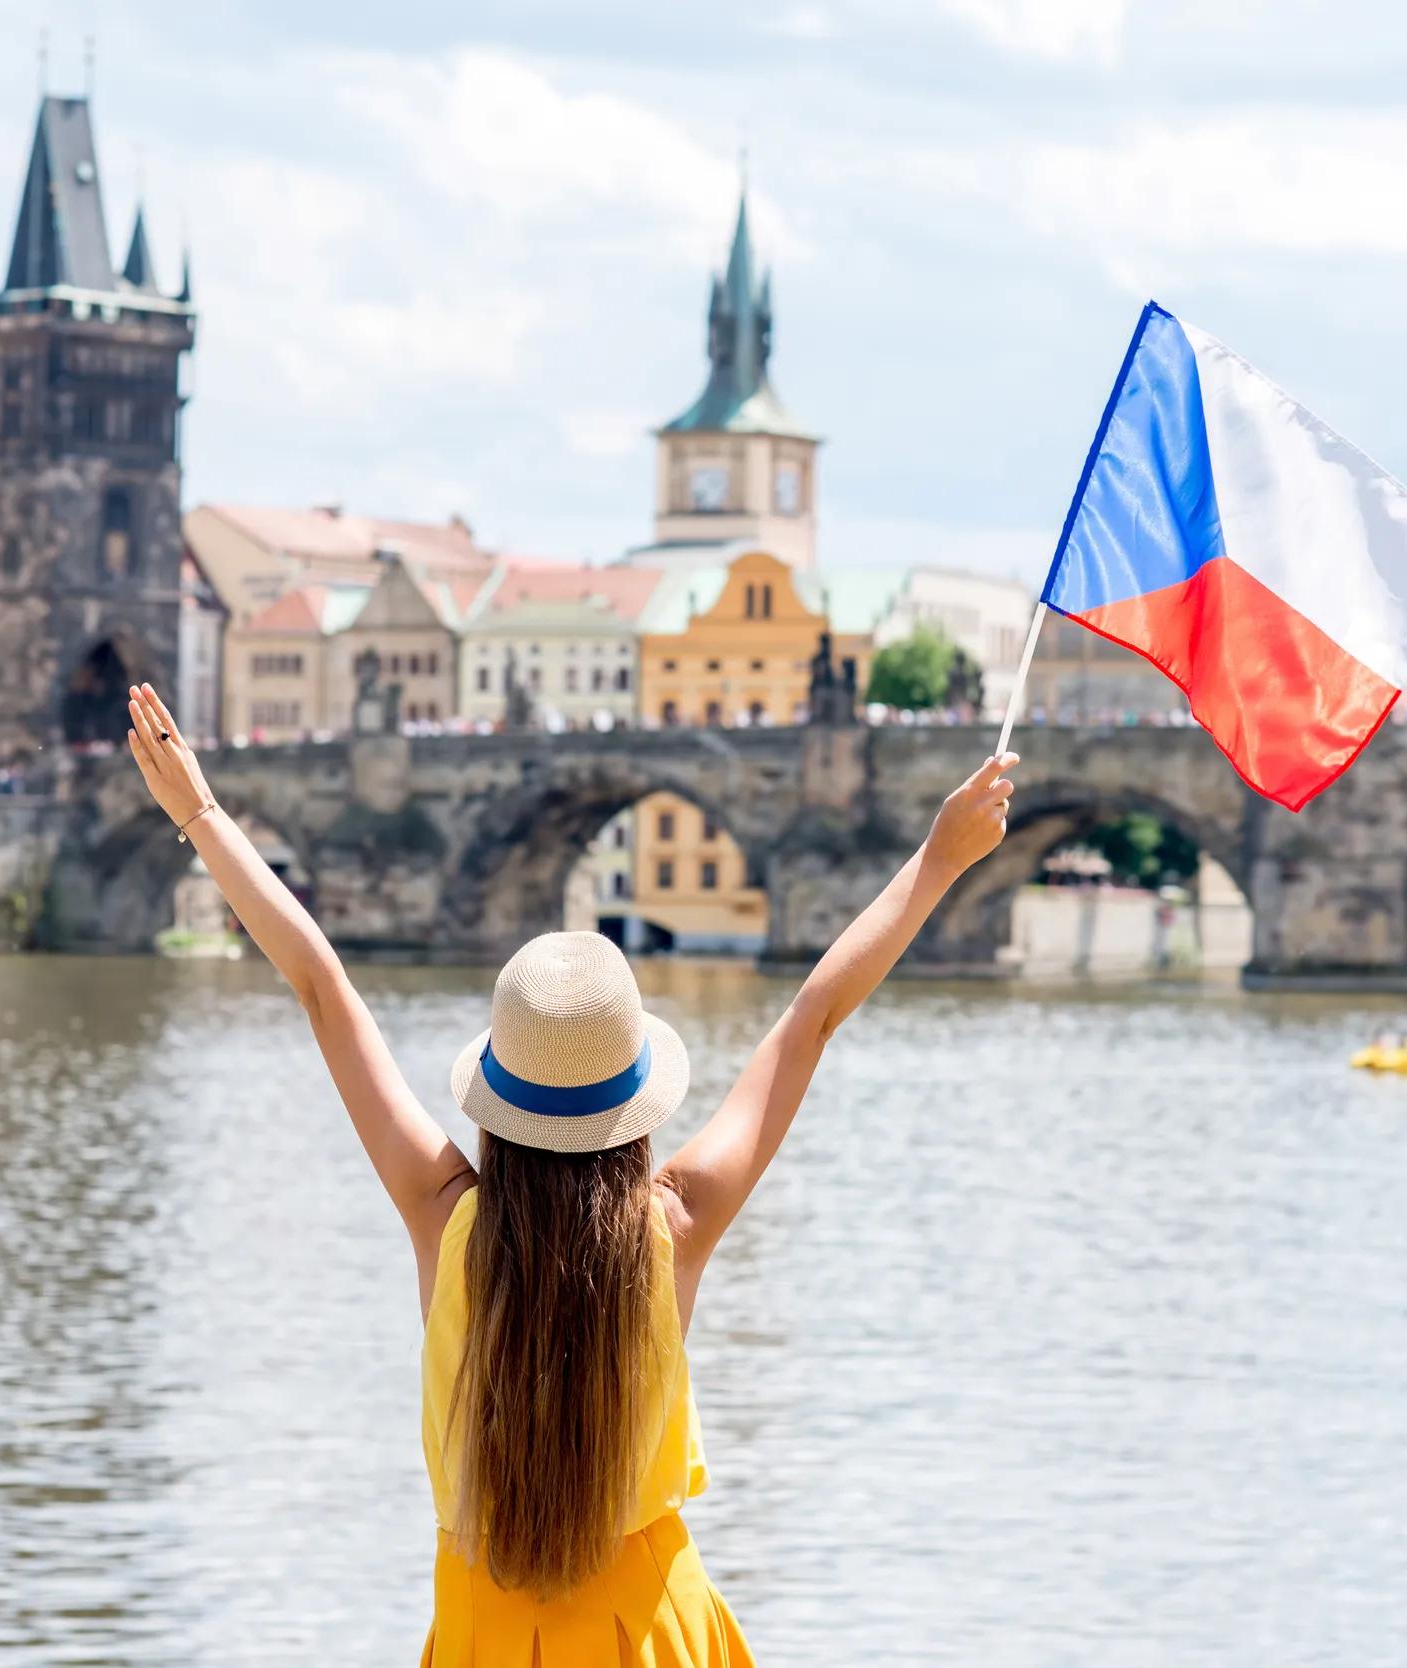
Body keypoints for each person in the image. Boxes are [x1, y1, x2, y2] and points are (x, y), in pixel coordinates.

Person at [119, 683, 1016, 1664]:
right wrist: (937, 861)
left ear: (498, 1103)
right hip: (654, 1632)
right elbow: (810, 1017)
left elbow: (322, 987)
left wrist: (202, 817)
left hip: (484, 1636)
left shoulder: (442, 1216)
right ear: (632, 1109)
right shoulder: (672, 1228)